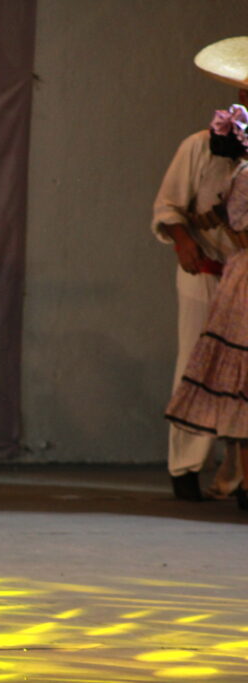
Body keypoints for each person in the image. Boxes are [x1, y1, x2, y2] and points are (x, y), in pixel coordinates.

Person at [153, 36, 248, 502]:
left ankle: (236, 475)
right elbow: (168, 207)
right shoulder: (199, 146)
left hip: (245, 279)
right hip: (207, 272)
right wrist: (183, 239)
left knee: (242, 375)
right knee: (196, 361)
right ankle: (185, 466)